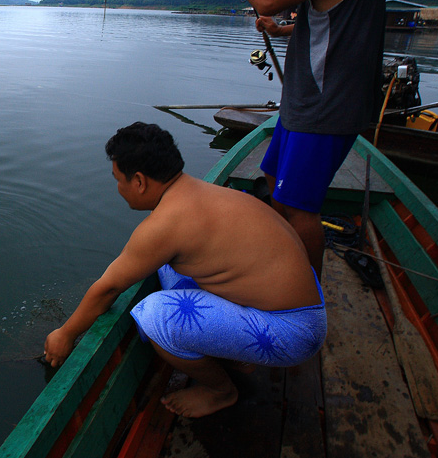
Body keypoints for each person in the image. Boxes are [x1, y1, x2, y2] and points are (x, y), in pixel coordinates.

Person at [43, 123, 326, 417]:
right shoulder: (195, 192)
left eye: (118, 179)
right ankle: (236, 354)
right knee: (166, 263)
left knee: (155, 316)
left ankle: (221, 391)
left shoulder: (164, 226)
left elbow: (110, 288)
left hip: (294, 331)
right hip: (300, 302)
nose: (118, 188)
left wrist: (65, 334)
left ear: (139, 181)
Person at [211, 0, 385, 277]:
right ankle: (278, 265)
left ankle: (306, 300)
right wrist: (281, 30)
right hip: (302, 106)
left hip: (325, 109)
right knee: (273, 181)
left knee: (300, 207)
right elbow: (334, 24)